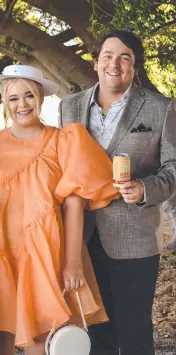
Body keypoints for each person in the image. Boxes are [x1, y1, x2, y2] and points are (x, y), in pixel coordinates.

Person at [0, 64, 120, 355]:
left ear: (40, 98)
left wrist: (72, 262)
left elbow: (75, 206)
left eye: (28, 96)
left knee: (42, 343)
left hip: (41, 255)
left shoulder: (64, 141)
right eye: (13, 98)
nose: (21, 104)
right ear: (4, 102)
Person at [59, 30, 176, 355]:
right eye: (108, 56)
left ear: (135, 68)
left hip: (135, 238)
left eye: (125, 58)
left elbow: (173, 169)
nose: (115, 64)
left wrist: (144, 189)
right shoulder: (69, 108)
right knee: (96, 334)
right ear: (96, 62)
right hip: (81, 237)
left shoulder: (161, 108)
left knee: (135, 334)